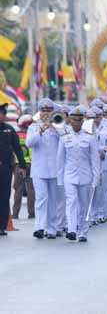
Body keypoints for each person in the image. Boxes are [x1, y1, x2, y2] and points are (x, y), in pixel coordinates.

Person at [56, 106, 100, 242]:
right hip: (69, 175)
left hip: (85, 175)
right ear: (70, 120)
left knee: (84, 204)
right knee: (71, 201)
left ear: (82, 121)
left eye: (79, 120)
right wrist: (60, 179)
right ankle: (72, 229)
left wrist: (96, 178)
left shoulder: (90, 137)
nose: (77, 122)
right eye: (74, 120)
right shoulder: (64, 137)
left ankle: (83, 232)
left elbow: (95, 159)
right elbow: (60, 159)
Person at [25, 98, 63, 239]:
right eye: (43, 110)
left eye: (48, 110)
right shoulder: (33, 127)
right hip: (39, 170)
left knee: (53, 200)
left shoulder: (59, 126)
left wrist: (55, 127)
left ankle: (52, 229)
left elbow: (65, 139)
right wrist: (42, 129)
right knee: (41, 199)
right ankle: (40, 227)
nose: (46, 113)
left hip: (54, 170)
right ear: (39, 112)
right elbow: (29, 143)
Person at [0, 102, 27, 236]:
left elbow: (17, 149)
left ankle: (2, 226)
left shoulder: (9, 130)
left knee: (4, 197)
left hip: (5, 168)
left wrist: (22, 165)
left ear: (4, 116)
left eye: (2, 114)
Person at [13, 114, 35, 220]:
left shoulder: (16, 135)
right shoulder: (32, 134)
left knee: (18, 190)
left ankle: (15, 214)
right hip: (31, 164)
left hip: (19, 165)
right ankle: (32, 213)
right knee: (31, 190)